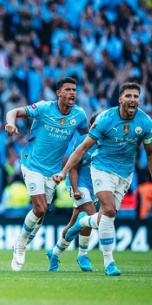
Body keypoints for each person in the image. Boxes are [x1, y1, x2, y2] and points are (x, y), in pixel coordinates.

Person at [53, 82, 152, 276]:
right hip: (101, 169)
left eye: (136, 96)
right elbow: (83, 148)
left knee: (106, 216)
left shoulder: (145, 122)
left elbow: (151, 154)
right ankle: (108, 262)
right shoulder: (105, 119)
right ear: (120, 99)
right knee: (109, 210)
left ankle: (82, 222)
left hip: (125, 174)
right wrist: (64, 172)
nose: (133, 100)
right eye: (128, 96)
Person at [5, 77, 88, 272]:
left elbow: (87, 138)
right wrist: (10, 123)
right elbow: (13, 111)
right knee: (40, 208)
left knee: (40, 218)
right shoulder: (43, 108)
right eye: (68, 90)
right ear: (59, 93)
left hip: (53, 172)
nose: (72, 93)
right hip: (31, 163)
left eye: (74, 90)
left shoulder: (79, 115)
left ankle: (23, 241)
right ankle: (20, 243)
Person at [46, 113, 100, 272]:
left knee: (73, 225)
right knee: (91, 215)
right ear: (92, 126)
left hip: (94, 187)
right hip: (78, 183)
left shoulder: (107, 143)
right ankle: (82, 254)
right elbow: (74, 168)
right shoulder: (84, 142)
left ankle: (54, 253)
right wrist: (76, 190)